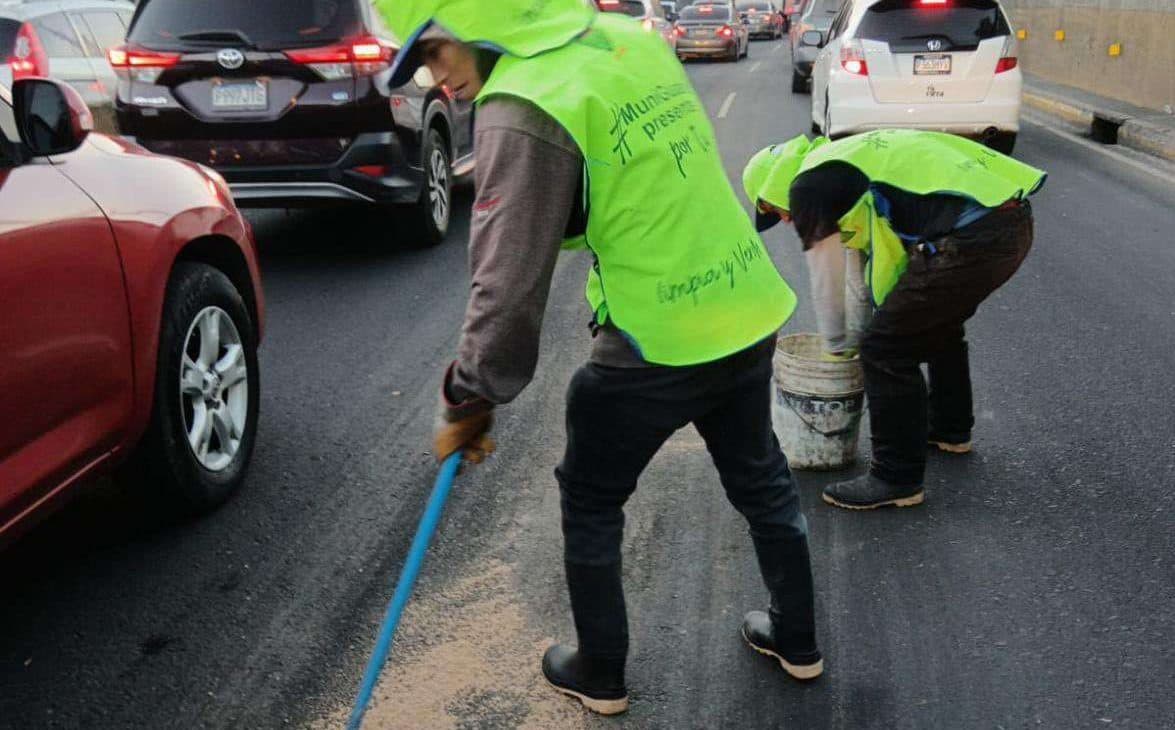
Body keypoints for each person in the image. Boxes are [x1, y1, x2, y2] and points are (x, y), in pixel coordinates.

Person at [378, 0, 823, 716]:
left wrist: (469, 393)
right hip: (741, 303)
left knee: (589, 498)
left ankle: (600, 672)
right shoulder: (626, 41)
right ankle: (798, 640)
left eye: (434, 51)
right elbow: (637, 177)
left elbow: (507, 281)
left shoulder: (522, 102)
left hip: (653, 336)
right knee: (761, 479)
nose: (436, 78)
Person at [744, 131, 1045, 511]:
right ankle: (950, 429)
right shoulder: (839, 165)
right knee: (935, 323)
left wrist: (840, 352)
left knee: (885, 348)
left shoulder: (808, 186)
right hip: (1010, 223)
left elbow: (828, 283)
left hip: (977, 236)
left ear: (773, 181)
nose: (785, 219)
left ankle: (896, 478)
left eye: (772, 209)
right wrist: (866, 330)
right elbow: (865, 277)